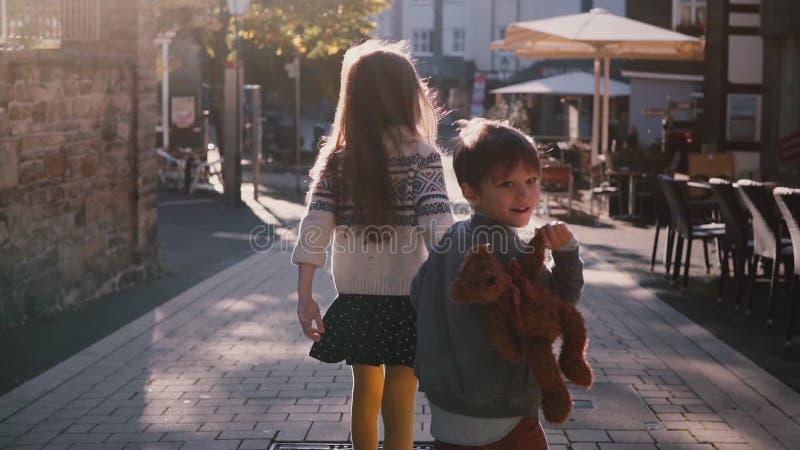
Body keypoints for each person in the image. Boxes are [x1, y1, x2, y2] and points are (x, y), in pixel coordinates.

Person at [291, 39, 454, 450]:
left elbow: (316, 224)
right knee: (403, 390)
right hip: (409, 296)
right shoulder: (423, 154)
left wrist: (305, 293)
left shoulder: (339, 158)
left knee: (365, 388)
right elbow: (438, 226)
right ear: (408, 95)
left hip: (355, 295)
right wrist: (459, 283)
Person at [411, 119, 585, 449]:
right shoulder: (509, 250)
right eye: (507, 184)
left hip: (445, 408)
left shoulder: (451, 238)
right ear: (471, 192)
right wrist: (566, 252)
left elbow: (417, 293)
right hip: (504, 413)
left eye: (531, 180)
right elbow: (560, 305)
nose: (525, 194)